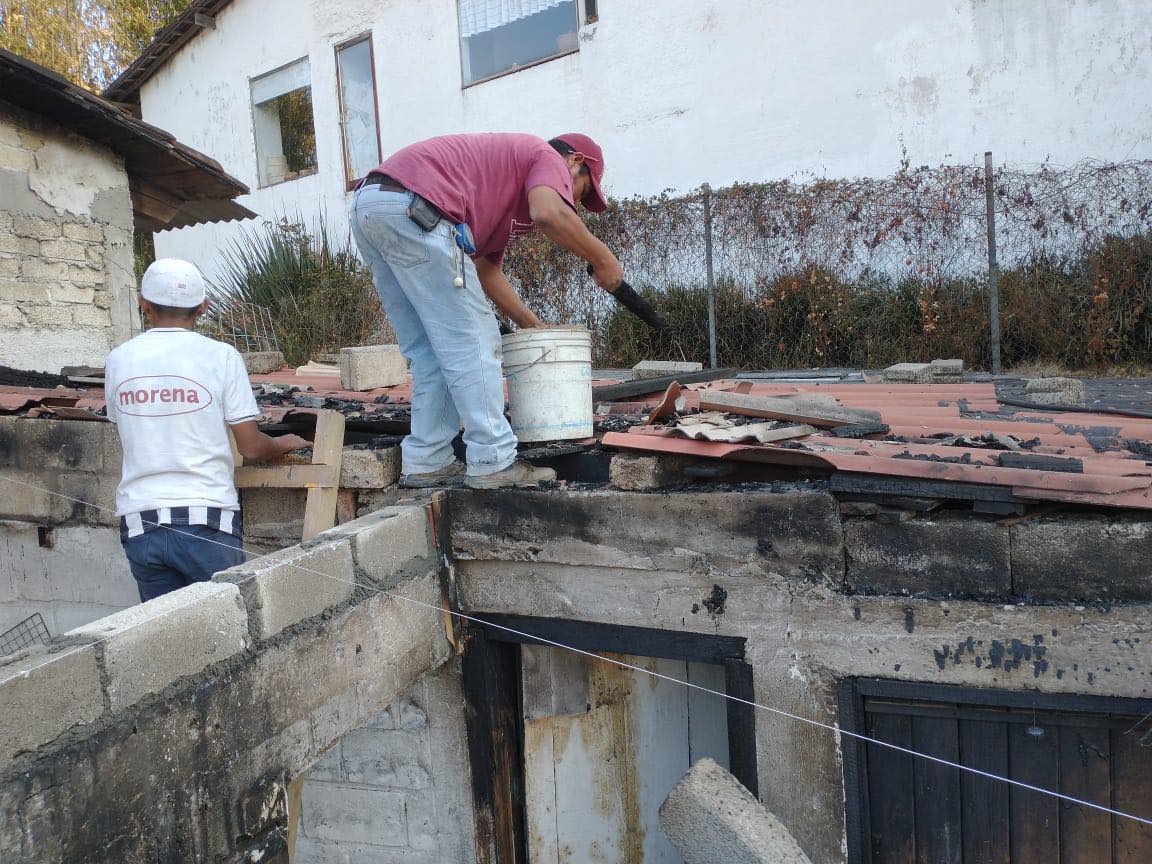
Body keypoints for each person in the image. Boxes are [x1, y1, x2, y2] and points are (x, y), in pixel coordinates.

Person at [350, 132, 625, 489]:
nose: (574, 201)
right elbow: (549, 212)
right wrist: (603, 259)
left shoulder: (502, 197)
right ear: (574, 161)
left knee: (431, 351)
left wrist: (532, 324)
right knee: (476, 342)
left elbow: (484, 270)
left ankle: (427, 460)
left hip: (373, 206)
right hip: (416, 205)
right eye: (583, 191)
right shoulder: (545, 156)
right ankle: (493, 461)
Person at [104, 259, 308, 602]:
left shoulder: (119, 359)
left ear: (143, 303)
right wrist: (285, 441)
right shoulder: (221, 356)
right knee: (228, 633)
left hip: (140, 523)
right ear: (204, 307)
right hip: (207, 520)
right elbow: (252, 448)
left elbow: (127, 427)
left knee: (165, 637)